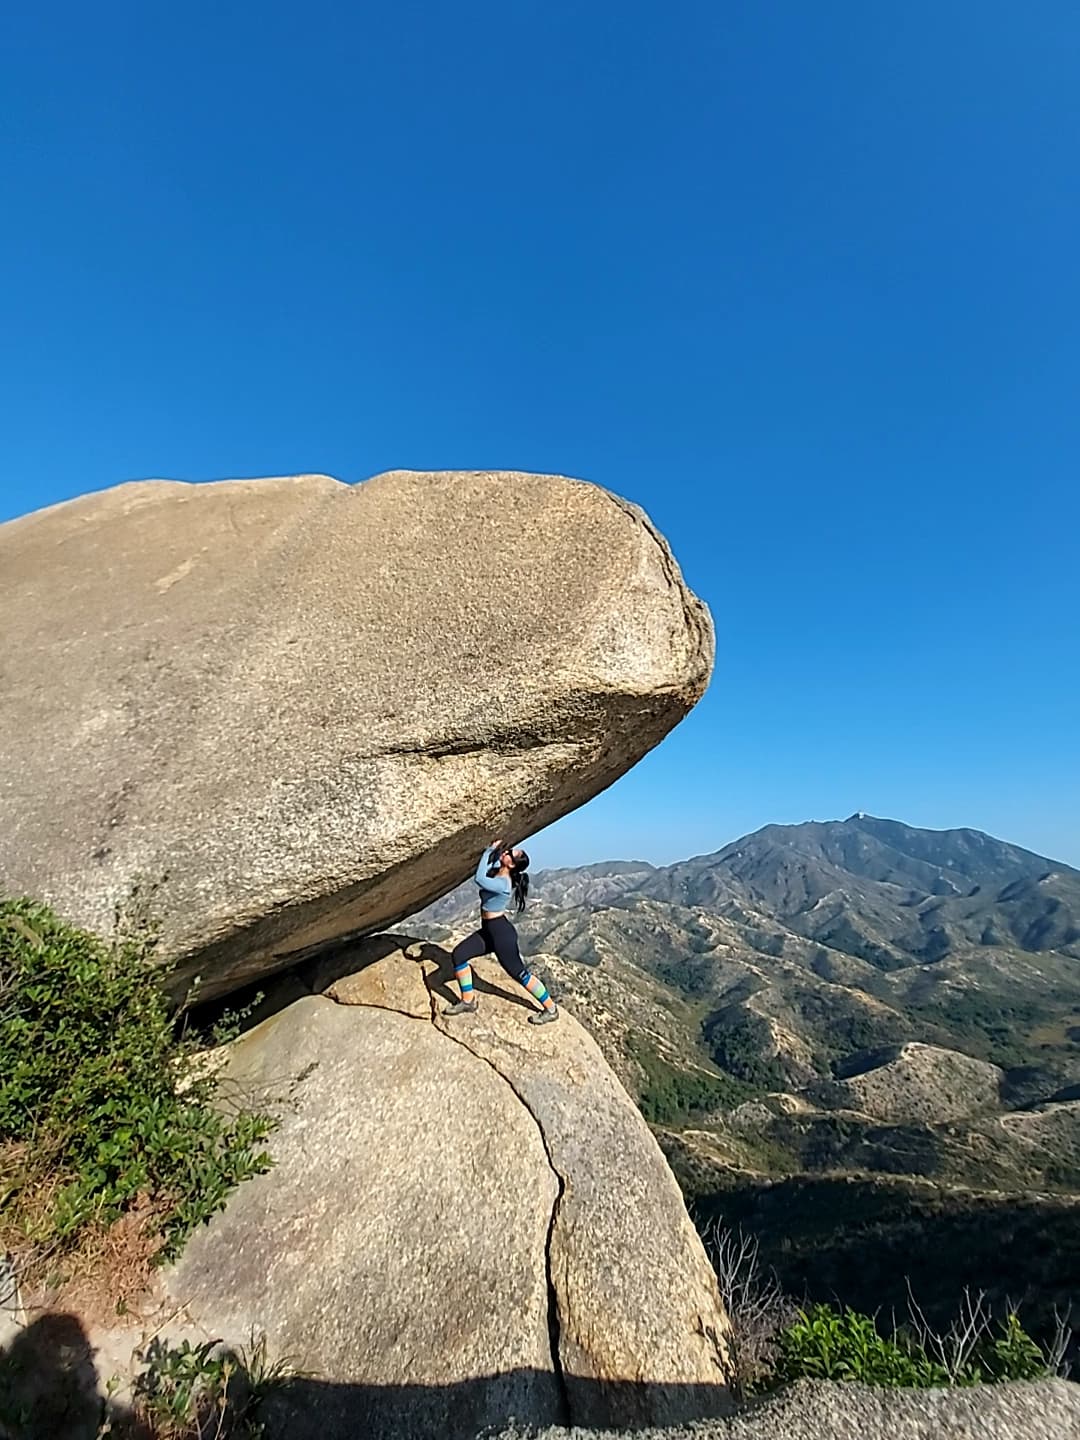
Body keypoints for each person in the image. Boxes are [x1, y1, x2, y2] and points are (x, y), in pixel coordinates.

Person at [444, 839, 559, 1025]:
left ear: (512, 864)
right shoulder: (500, 871)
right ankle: (468, 1001)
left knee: (520, 974)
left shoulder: (503, 883)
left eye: (510, 853)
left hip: (501, 934)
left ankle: (551, 1009)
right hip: (489, 930)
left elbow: (479, 879)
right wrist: (495, 853)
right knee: (459, 955)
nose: (506, 852)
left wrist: (488, 850)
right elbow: (492, 865)